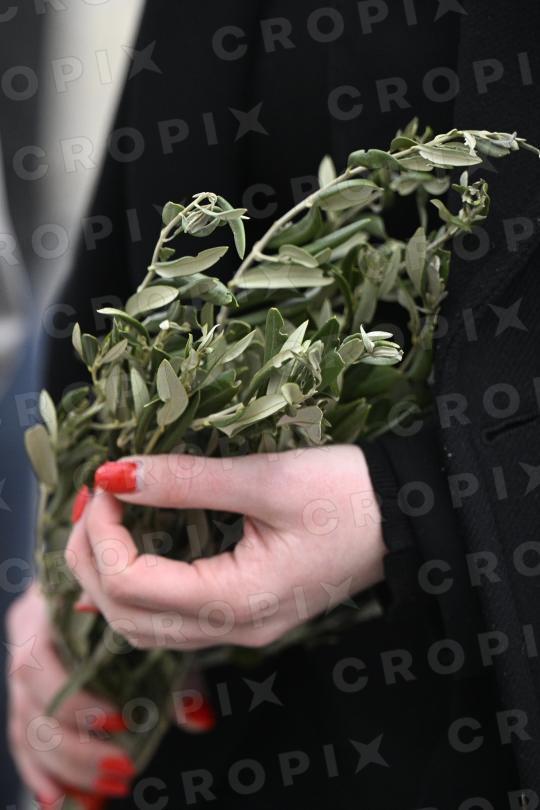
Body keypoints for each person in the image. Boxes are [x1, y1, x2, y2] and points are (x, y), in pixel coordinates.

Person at [6, 1, 540, 807]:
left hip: (458, 710)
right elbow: (139, 204)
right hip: (208, 720)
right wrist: (65, 575)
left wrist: (413, 502)